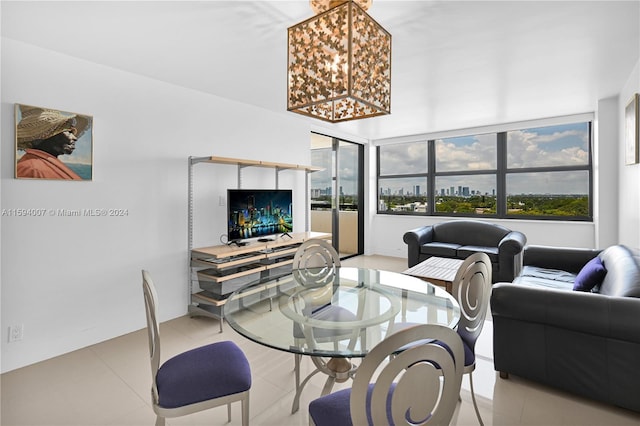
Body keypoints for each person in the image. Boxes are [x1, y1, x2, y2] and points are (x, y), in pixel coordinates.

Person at [16, 105, 89, 180]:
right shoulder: (30, 169)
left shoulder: (40, 164)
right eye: (69, 132)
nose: (75, 138)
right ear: (45, 135)